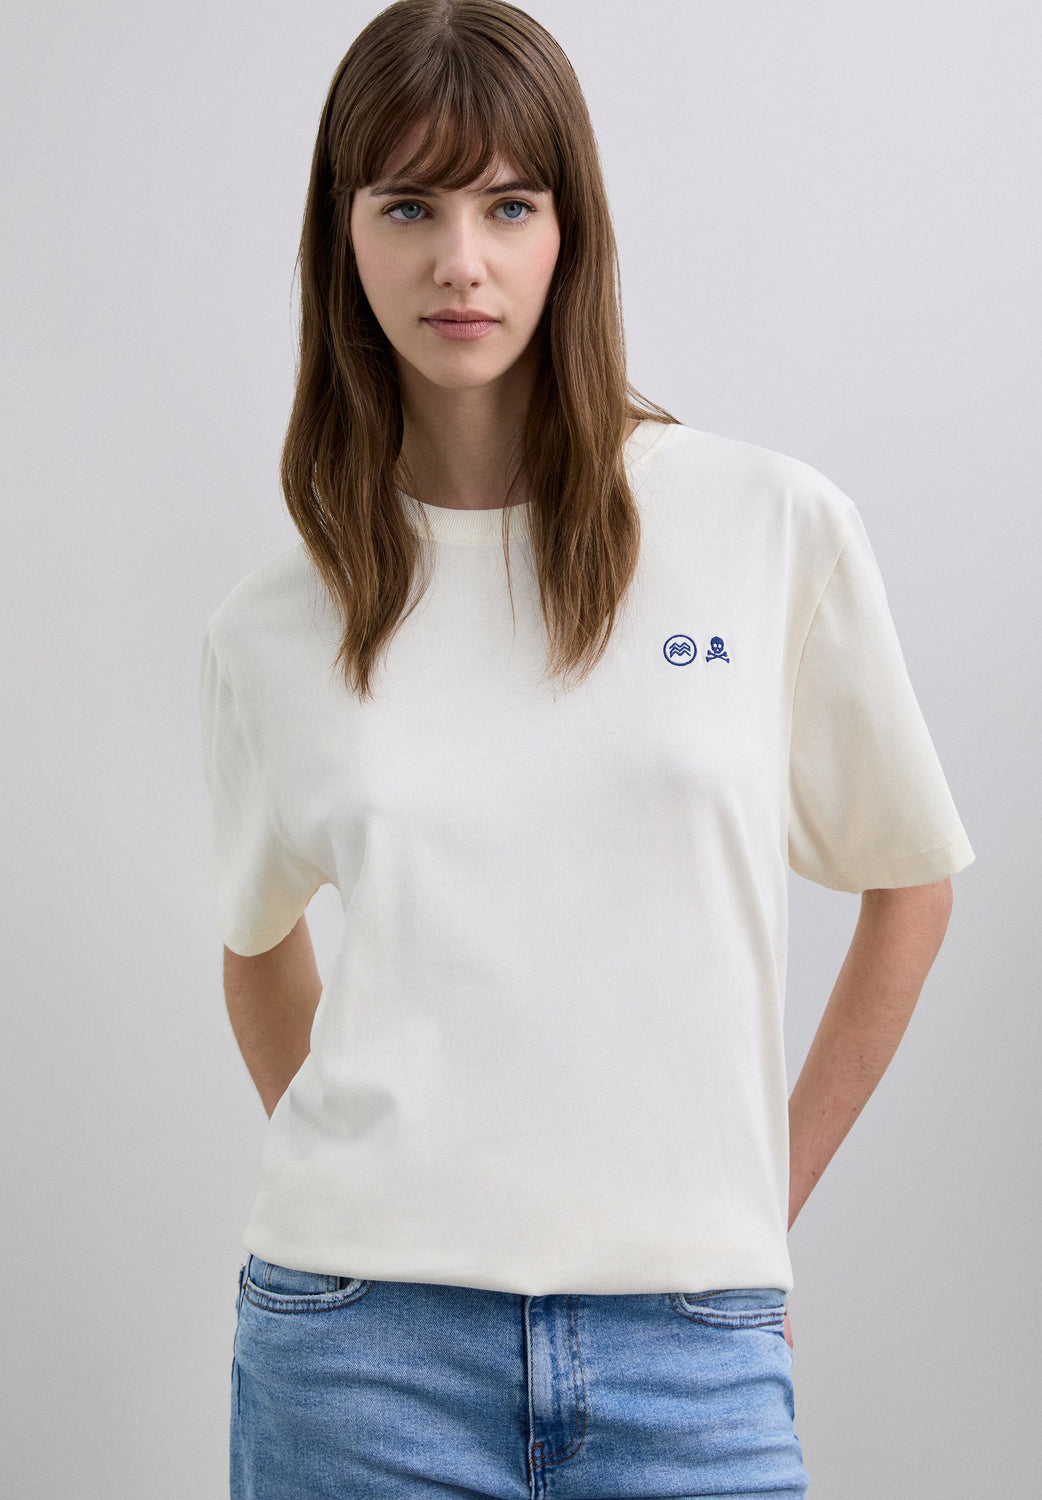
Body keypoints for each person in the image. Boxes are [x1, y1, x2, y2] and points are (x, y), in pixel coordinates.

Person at [197, 2, 975, 1496]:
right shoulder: (275, 625)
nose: (460, 261)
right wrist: (375, 1197)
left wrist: (758, 1205)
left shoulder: (765, 529)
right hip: (356, 1362)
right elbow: (255, 946)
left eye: (508, 205)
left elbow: (910, 884)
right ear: (341, 236)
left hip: (690, 1352)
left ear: (571, 233)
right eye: (408, 206)